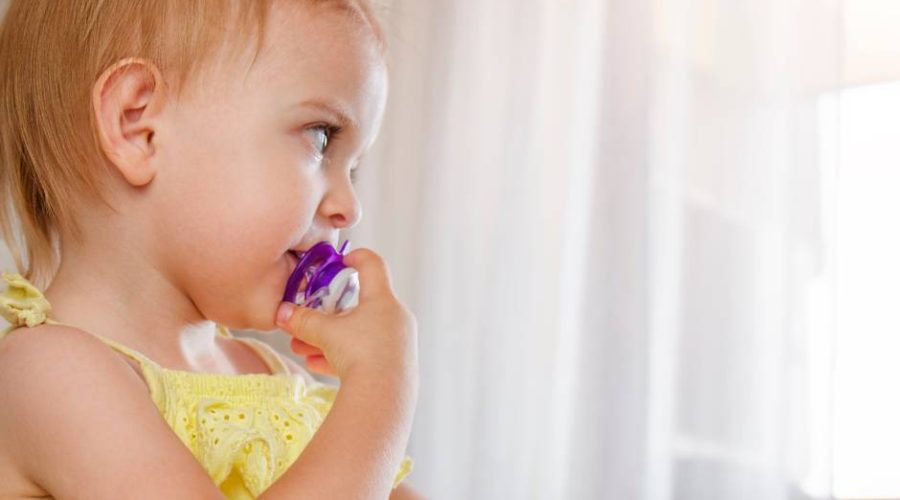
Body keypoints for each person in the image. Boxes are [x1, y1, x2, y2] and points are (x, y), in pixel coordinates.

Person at [0, 0, 423, 498]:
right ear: (139, 127)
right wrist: (381, 390)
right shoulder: (49, 378)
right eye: (321, 137)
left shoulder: (272, 377)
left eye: (352, 169)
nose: (349, 207)